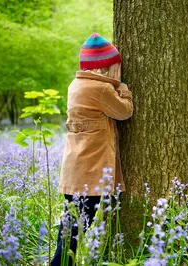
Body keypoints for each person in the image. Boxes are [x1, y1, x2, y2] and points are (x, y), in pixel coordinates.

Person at [51, 33, 133, 265]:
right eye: (116, 66)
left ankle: (61, 261)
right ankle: (60, 262)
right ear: (105, 67)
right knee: (79, 223)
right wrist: (123, 88)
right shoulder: (100, 89)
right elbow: (124, 111)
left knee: (71, 222)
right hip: (91, 171)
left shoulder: (75, 85)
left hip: (76, 167)